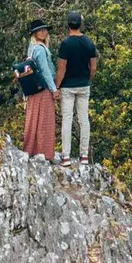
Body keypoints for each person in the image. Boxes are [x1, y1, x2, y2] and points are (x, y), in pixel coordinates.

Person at [55, 9, 97, 166]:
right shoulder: (88, 42)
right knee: (83, 119)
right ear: (81, 24)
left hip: (67, 86)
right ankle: (84, 155)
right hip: (83, 85)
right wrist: (88, 80)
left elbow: (62, 68)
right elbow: (93, 68)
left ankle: (66, 156)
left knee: (67, 119)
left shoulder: (65, 44)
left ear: (68, 25)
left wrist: (57, 86)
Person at [18, 19, 57, 161]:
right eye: (40, 30)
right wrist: (53, 89)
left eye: (44, 29)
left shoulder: (32, 47)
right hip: (43, 89)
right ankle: (44, 152)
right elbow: (46, 71)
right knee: (45, 119)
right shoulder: (40, 49)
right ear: (34, 33)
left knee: (34, 118)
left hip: (34, 90)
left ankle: (31, 149)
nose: (43, 32)